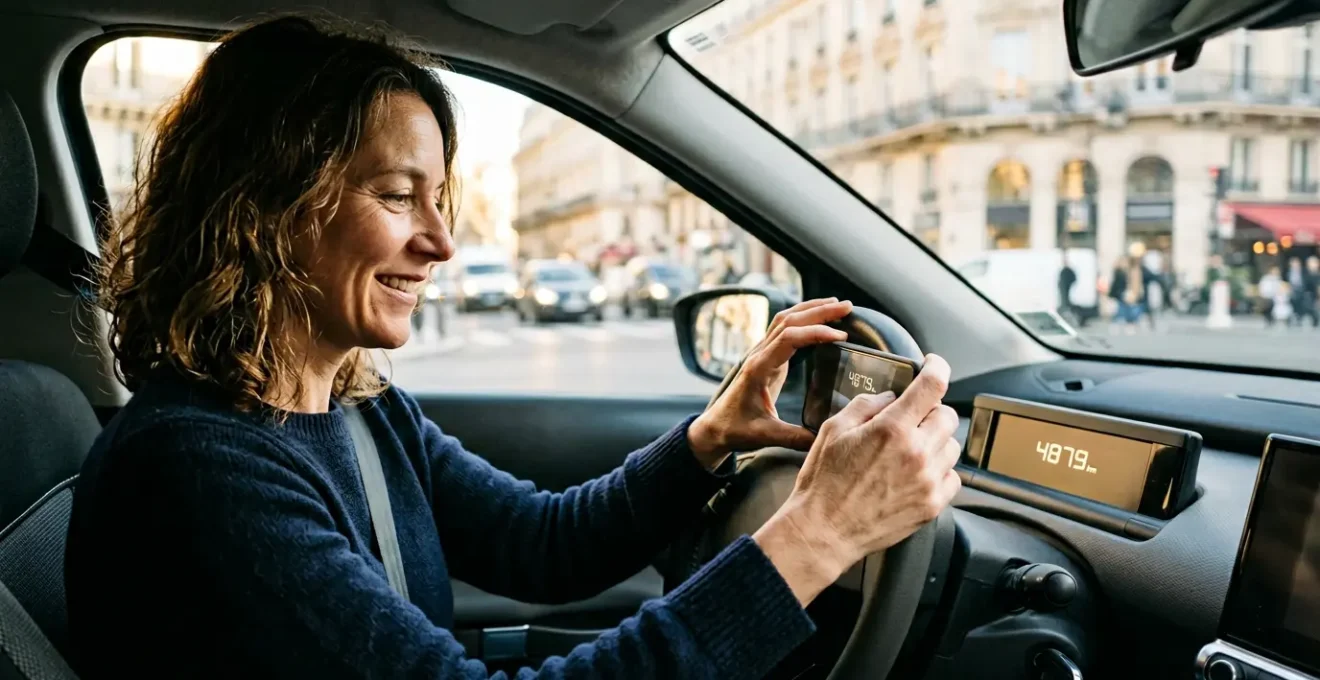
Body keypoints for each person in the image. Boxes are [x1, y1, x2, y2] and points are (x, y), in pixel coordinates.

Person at [64, 16, 963, 679]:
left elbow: (540, 544)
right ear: (264, 210)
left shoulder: (354, 405)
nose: (442, 241)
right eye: (395, 195)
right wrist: (819, 534)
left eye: (440, 197)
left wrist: (708, 439)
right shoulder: (198, 467)